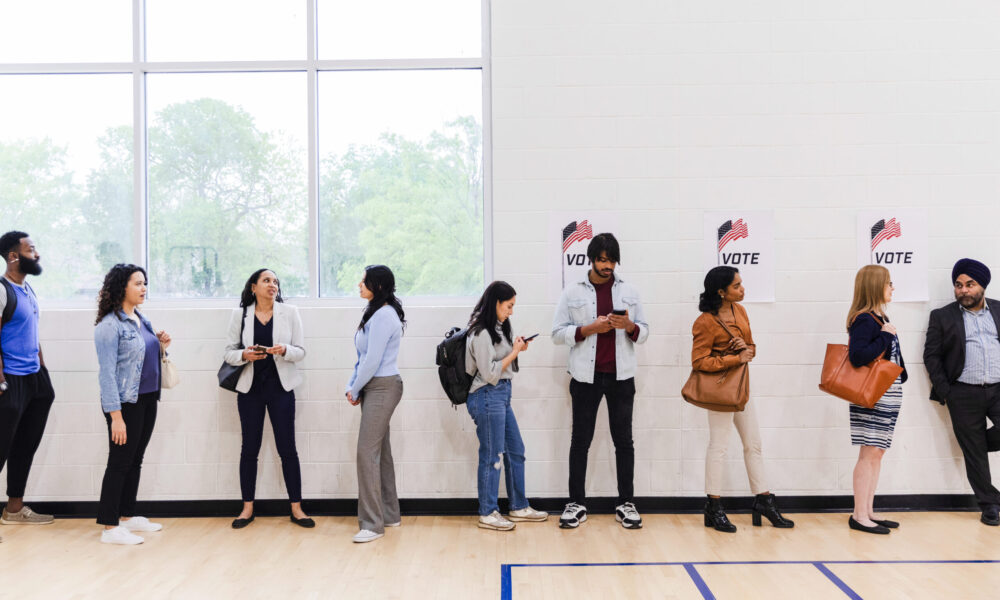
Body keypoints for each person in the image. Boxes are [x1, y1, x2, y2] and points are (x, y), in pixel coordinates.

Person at [551, 233, 648, 530]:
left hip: (621, 377)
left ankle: (626, 503)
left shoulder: (629, 291)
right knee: (580, 441)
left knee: (624, 442)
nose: (608, 266)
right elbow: (556, 334)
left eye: (612, 260)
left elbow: (644, 332)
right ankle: (576, 503)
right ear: (591, 259)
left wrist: (629, 325)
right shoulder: (571, 292)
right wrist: (587, 329)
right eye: (602, 260)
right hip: (585, 377)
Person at [692, 266, 793, 532]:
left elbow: (752, 348)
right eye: (736, 286)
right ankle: (713, 506)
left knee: (754, 444)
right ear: (721, 292)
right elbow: (699, 361)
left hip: (741, 388)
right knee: (719, 447)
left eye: (741, 284)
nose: (742, 289)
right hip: (720, 391)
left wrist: (745, 349)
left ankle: (763, 500)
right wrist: (734, 358)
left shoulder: (741, 311)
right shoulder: (705, 321)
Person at [223, 269, 312, 529]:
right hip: (250, 390)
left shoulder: (290, 312)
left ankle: (296, 508)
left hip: (281, 389)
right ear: (253, 287)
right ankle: (247, 508)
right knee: (249, 449)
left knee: (288, 449)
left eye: (275, 281)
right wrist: (244, 356)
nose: (272, 285)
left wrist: (285, 350)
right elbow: (229, 353)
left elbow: (301, 351)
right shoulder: (239, 315)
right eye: (266, 281)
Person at [94, 264, 172, 544]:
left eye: (145, 283)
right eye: (137, 283)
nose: (143, 288)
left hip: (149, 397)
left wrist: (161, 344)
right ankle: (109, 526)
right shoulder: (109, 326)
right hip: (125, 403)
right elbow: (106, 374)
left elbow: (142, 356)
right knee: (119, 462)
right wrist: (115, 416)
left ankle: (126, 516)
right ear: (121, 288)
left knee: (135, 459)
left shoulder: (141, 318)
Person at [465, 281, 547, 530]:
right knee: (492, 455)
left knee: (515, 450)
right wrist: (514, 352)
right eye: (508, 306)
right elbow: (490, 373)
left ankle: (518, 505)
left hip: (501, 395)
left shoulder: (500, 328)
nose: (511, 311)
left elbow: (503, 365)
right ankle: (487, 512)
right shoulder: (480, 332)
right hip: (486, 395)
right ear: (496, 303)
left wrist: (515, 349)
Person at [924, 258, 1000, 526]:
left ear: (982, 286)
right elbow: (931, 356)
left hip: (998, 389)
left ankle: (975, 442)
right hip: (963, 394)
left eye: (970, 284)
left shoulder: (999, 310)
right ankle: (990, 505)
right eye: (958, 285)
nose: (963, 290)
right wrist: (947, 392)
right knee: (974, 453)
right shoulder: (942, 316)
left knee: (975, 445)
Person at [0, 231, 55, 536]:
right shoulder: (2, 290)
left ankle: (14, 509)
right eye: (31, 250)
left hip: (34, 378)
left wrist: (42, 369)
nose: (37, 254)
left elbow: (32, 332)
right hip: (10, 380)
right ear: (13, 256)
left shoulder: (27, 288)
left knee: (24, 446)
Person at [345, 265, 405, 543]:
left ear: (378, 286)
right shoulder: (376, 312)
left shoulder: (383, 315)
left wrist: (356, 388)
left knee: (365, 454)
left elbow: (373, 360)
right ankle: (390, 515)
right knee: (381, 452)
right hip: (373, 385)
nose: (359, 284)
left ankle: (371, 524)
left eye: (364, 281)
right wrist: (353, 385)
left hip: (382, 386)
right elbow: (363, 357)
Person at [845, 265, 906, 534]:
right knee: (869, 453)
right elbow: (858, 356)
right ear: (875, 286)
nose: (892, 287)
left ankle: (867, 510)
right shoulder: (865, 320)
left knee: (877, 453)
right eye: (888, 283)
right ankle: (859, 515)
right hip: (872, 395)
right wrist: (885, 336)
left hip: (887, 393)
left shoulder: (878, 317)